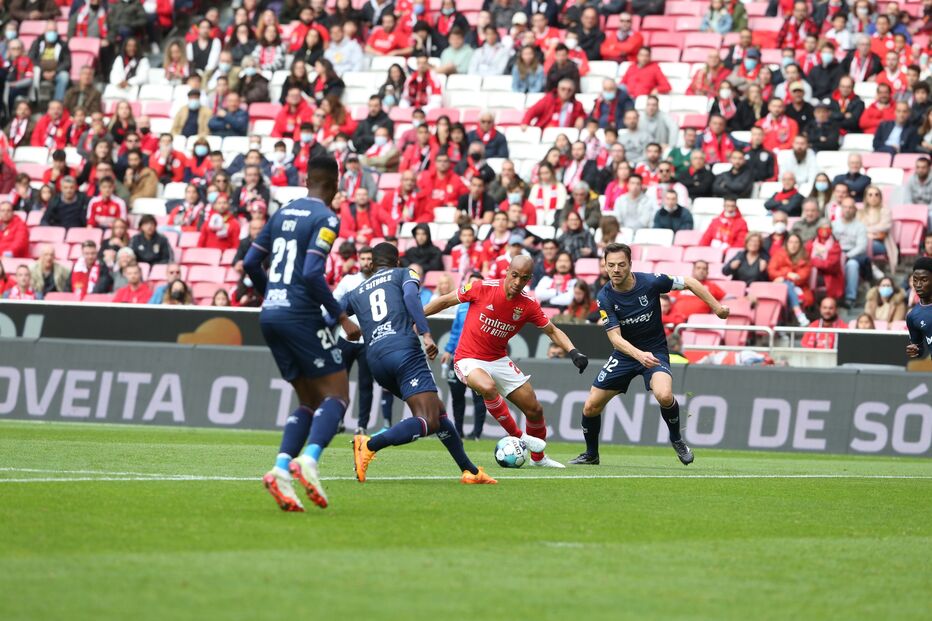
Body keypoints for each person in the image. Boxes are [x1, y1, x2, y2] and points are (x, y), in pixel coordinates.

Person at [243, 156, 361, 512]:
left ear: (307, 179)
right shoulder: (326, 218)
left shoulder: (281, 213)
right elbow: (311, 272)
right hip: (299, 314)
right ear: (335, 186)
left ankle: (280, 468)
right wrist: (341, 316)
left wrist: (272, 295)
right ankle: (308, 460)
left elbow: (250, 262)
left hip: (270, 314)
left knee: (309, 401)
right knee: (338, 396)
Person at [344, 243, 495, 485]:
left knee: (438, 411)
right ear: (397, 261)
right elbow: (410, 297)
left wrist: (345, 325)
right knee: (429, 419)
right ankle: (370, 444)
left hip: (376, 361)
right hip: (403, 351)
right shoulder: (405, 273)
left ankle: (470, 471)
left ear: (371, 265)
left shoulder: (357, 290)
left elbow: (333, 310)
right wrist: (425, 334)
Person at [571, 243, 729, 466]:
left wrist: (717, 308)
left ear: (630, 265)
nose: (616, 270)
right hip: (626, 353)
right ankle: (591, 454)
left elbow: (690, 282)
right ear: (605, 266)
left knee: (664, 396)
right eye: (611, 265)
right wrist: (638, 355)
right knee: (590, 406)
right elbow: (615, 339)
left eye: (621, 265)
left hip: (655, 351)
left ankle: (677, 440)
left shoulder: (651, 282)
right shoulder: (604, 296)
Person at [424, 255, 589, 467]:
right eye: (515, 276)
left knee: (534, 409)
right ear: (507, 271)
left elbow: (552, 330)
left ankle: (538, 460)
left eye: (524, 279)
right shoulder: (482, 287)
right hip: (468, 357)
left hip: (498, 359)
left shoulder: (528, 304)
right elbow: (444, 300)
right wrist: (415, 317)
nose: (518, 282)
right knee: (488, 387)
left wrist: (573, 352)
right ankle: (520, 437)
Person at [331, 246, 394, 435]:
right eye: (364, 259)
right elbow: (333, 303)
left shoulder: (380, 281)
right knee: (339, 382)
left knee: (366, 384)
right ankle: (336, 420)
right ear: (358, 260)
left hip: (368, 340)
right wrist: (343, 323)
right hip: (346, 338)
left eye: (369, 259)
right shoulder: (349, 281)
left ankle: (362, 425)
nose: (367, 262)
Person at [768, 233, 813, 326]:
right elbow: (771, 271)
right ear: (786, 243)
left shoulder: (805, 257)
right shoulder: (778, 254)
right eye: (791, 242)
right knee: (786, 284)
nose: (793, 245)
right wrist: (787, 274)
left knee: (787, 285)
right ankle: (798, 313)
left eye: (796, 242)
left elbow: (802, 277)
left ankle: (781, 324)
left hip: (799, 287)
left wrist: (783, 277)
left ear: (800, 244)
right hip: (777, 286)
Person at [906, 257, 932, 360]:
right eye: (915, 280)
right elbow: (919, 348)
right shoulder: (912, 316)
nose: (918, 285)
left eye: (924, 280)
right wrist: (915, 350)